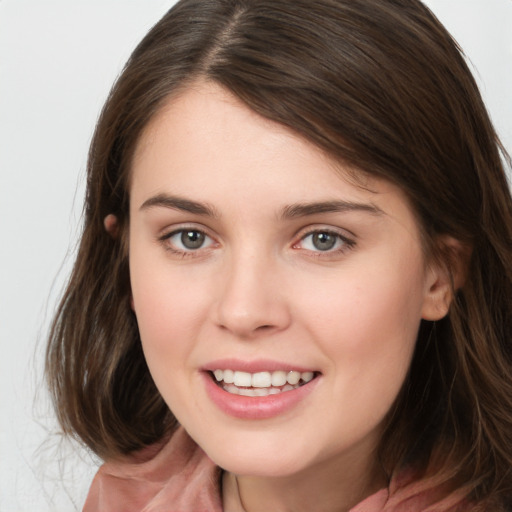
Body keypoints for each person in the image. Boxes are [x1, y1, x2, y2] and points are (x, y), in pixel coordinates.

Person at [45, 0, 512, 510]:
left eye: (322, 239)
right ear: (126, 261)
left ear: (440, 272)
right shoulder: (120, 499)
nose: (244, 311)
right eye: (190, 237)